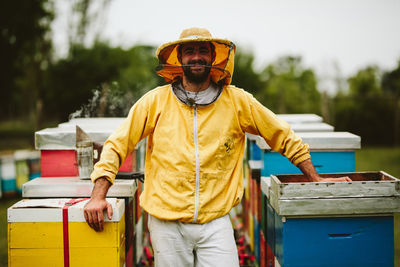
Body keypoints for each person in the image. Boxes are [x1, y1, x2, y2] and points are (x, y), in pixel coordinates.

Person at [84, 27, 351, 267]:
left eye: (203, 51)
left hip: (216, 222)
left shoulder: (237, 101)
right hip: (167, 223)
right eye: (190, 51)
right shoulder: (154, 102)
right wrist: (98, 195)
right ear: (179, 58)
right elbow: (117, 145)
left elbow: (282, 135)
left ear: (214, 57)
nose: (196, 57)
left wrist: (314, 177)